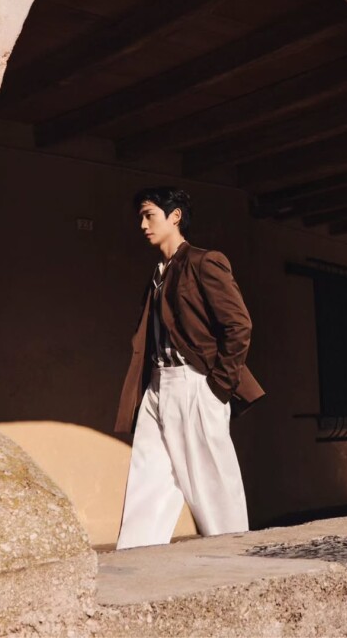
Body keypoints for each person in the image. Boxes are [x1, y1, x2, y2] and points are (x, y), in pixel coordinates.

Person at [113, 186, 265, 549]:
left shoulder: (204, 261)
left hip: (195, 383)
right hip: (157, 384)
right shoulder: (158, 273)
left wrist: (218, 387)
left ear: (175, 216)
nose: (143, 225)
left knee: (212, 484)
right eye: (141, 217)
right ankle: (136, 562)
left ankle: (234, 559)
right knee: (148, 478)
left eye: (149, 215)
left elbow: (239, 326)